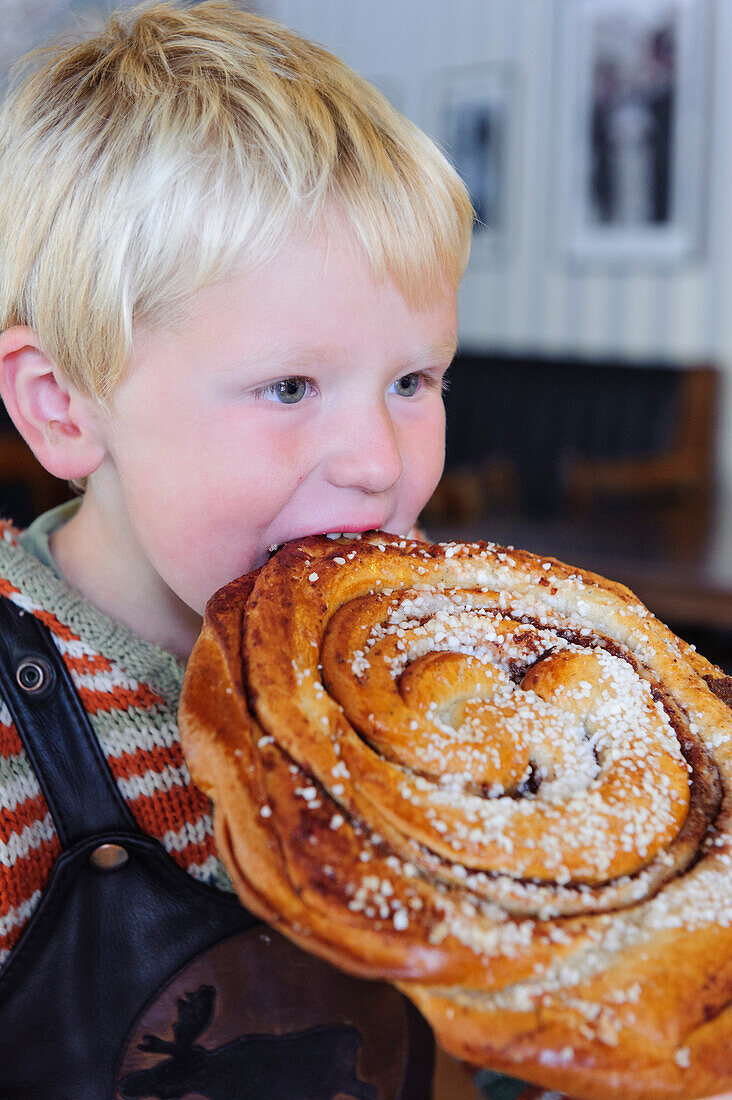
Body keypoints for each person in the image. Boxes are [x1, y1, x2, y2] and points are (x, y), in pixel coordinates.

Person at [0, 2, 474, 1096]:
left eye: (414, 380)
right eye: (290, 386)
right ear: (65, 403)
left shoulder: (442, 678)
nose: (373, 458)